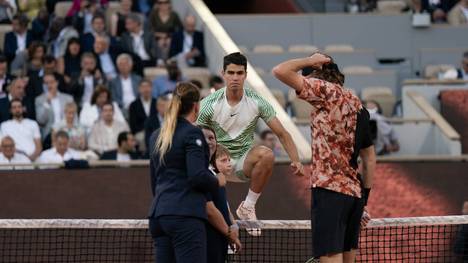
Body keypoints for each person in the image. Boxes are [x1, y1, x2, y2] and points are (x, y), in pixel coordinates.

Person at [272, 52, 376, 263]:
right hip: (354, 196)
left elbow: (280, 71)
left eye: (306, 77)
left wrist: (310, 60)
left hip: (329, 191)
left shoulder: (325, 91)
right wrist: (364, 199)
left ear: (317, 75)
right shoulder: (359, 107)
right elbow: (370, 158)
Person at [197, 52, 304, 230]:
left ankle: (248, 206)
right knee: (220, 217)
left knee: (267, 155)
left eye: (239, 73)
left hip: (242, 164)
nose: (235, 78)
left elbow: (282, 133)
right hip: (214, 165)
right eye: (231, 73)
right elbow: (194, 137)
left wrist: (296, 160)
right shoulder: (209, 104)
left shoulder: (257, 101)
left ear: (246, 75)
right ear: (223, 73)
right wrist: (213, 162)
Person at [148, 82, 239, 263]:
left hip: (159, 217)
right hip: (185, 217)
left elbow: (154, 182)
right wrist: (218, 180)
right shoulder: (193, 133)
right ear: (196, 106)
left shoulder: (156, 135)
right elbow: (197, 176)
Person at [200, 129, 241, 262]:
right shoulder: (207, 176)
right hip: (210, 237)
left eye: (229, 160)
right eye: (223, 160)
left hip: (222, 238)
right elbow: (210, 210)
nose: (229, 163)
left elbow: (225, 208)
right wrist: (229, 233)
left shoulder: (217, 179)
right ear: (213, 162)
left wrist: (233, 226)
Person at [35, 73, 74, 140]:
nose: (49, 85)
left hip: (67, 132)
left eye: (51, 82)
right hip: (50, 135)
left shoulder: (68, 98)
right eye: (46, 83)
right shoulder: (39, 100)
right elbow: (41, 120)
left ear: (57, 82)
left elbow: (74, 117)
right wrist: (47, 102)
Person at [129, 79, 156, 152]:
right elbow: (133, 124)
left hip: (156, 130)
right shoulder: (133, 105)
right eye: (143, 87)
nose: (146, 89)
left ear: (151, 88)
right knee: (142, 138)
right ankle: (144, 157)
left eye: (148, 87)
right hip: (140, 131)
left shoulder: (157, 102)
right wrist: (145, 130)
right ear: (139, 89)